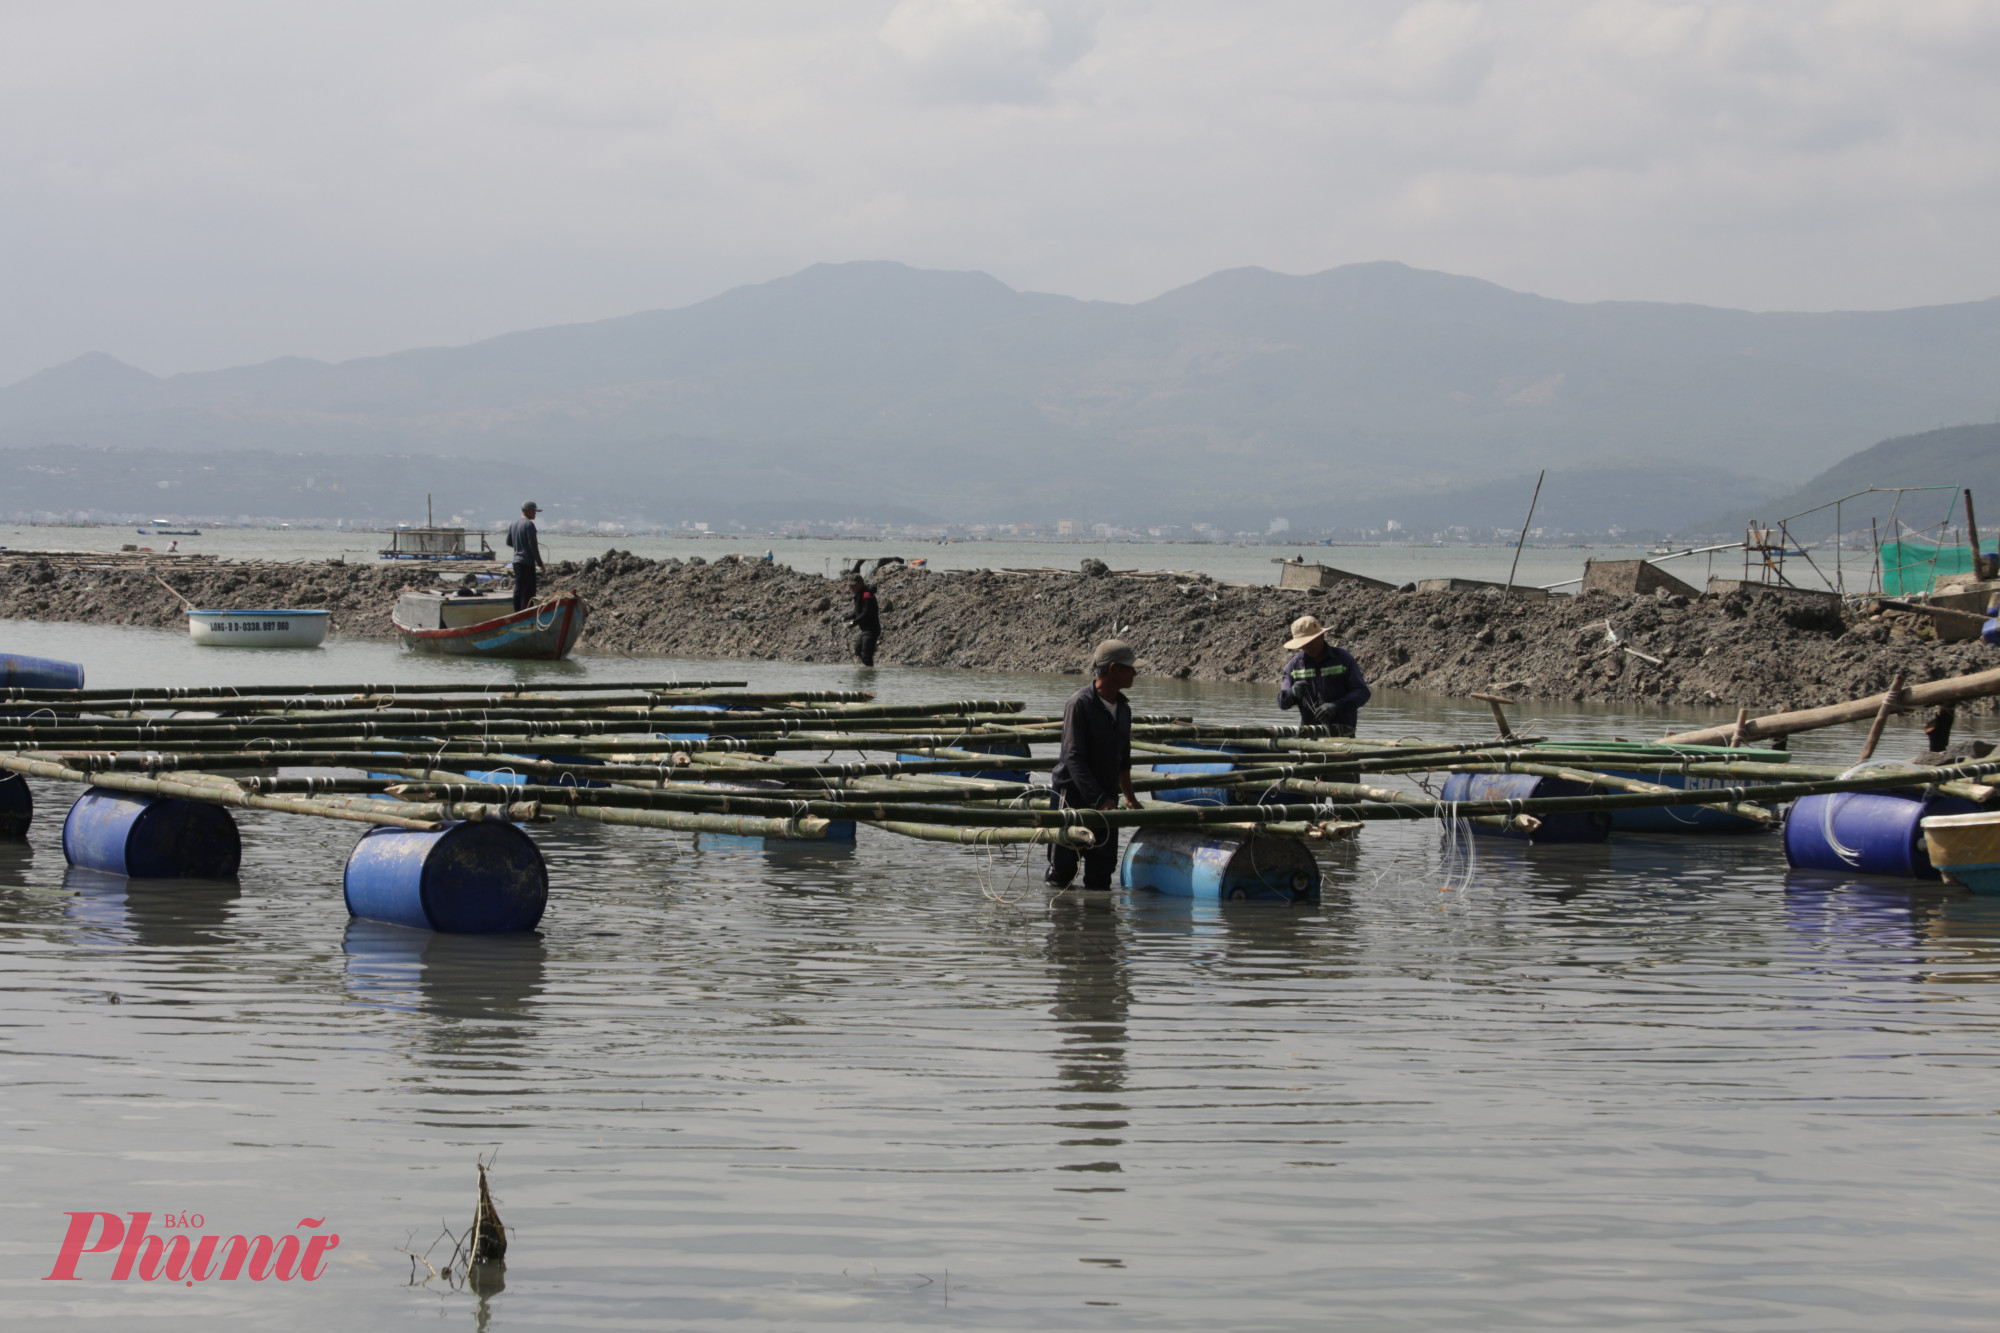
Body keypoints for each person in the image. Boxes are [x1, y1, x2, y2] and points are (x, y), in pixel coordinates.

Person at [1046, 639, 1143, 890]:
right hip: (1073, 798)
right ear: (1113, 670)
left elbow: (1124, 757)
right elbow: (1073, 757)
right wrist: (1100, 800)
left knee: (1101, 874)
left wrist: (1129, 798)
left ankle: (1099, 925)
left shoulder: (1123, 708)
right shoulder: (1079, 704)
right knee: (1062, 874)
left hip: (1108, 799)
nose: (1135, 673)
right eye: (1130, 668)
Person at [1277, 614, 1370, 736]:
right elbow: (1282, 703)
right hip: (1310, 740)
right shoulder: (1293, 666)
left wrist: (1336, 706)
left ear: (1321, 636)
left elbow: (1362, 693)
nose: (1307, 648)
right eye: (1303, 645)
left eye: (1310, 643)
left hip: (1343, 736)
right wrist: (1292, 693)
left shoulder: (1343, 659)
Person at [506, 501, 546, 612]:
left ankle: (517, 612)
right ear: (527, 510)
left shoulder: (513, 524)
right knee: (528, 591)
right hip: (527, 563)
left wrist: (519, 545)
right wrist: (540, 564)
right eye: (534, 511)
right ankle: (525, 613)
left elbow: (508, 542)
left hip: (516, 562)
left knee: (518, 589)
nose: (535, 514)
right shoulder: (529, 525)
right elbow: (533, 547)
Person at [845, 570, 882, 666]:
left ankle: (869, 675)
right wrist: (847, 617)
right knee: (858, 650)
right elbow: (858, 612)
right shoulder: (859, 594)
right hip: (865, 630)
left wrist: (854, 622)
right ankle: (866, 669)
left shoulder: (867, 595)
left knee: (866, 655)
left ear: (860, 583)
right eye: (850, 586)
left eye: (853, 585)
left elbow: (866, 612)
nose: (851, 588)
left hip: (871, 630)